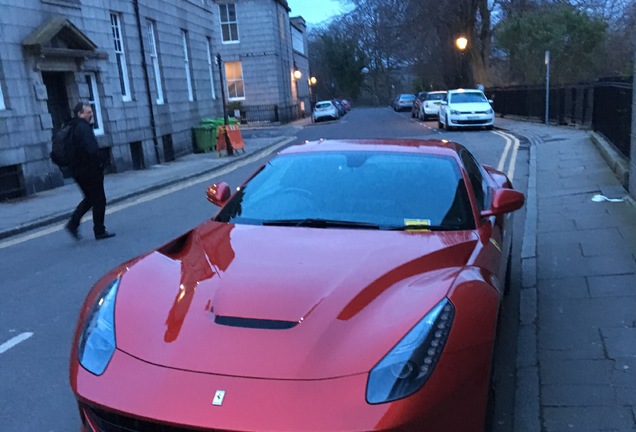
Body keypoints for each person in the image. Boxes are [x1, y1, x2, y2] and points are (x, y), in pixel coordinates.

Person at [65, 102, 116, 240]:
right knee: (99, 199)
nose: (91, 114)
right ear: (80, 114)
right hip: (89, 170)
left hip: (77, 171)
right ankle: (99, 231)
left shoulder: (72, 126)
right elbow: (92, 150)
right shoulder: (83, 128)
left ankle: (73, 223)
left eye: (91, 111)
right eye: (88, 112)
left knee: (90, 198)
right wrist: (101, 162)